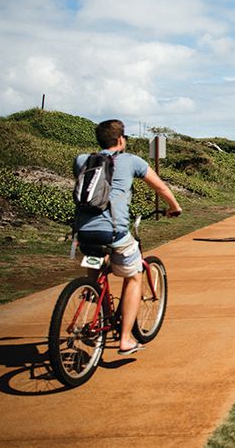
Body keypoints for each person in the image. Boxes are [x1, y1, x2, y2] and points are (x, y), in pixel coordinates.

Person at [73, 119, 182, 356]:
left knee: (99, 265)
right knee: (133, 276)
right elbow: (161, 188)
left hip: (83, 233)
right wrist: (174, 207)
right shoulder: (132, 161)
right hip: (114, 232)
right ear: (121, 140)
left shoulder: (82, 160)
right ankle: (125, 339)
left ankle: (96, 302)